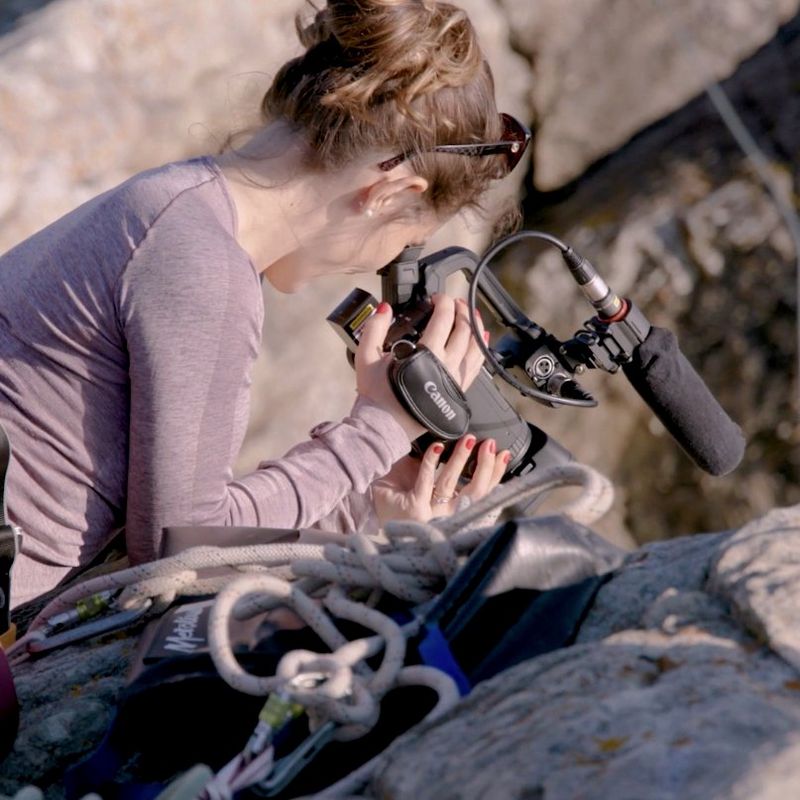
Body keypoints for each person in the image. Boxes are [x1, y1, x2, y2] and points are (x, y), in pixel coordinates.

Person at [0, 0, 530, 609]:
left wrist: (369, 505)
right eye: (404, 244)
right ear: (388, 193)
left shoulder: (177, 204)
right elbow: (181, 556)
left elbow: (178, 534)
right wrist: (379, 430)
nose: (375, 266)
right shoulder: (205, 266)